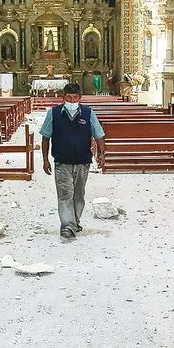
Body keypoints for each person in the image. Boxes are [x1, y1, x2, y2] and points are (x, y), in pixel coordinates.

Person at [39, 83, 106, 239]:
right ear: (63, 97)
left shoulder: (88, 113)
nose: (72, 100)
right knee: (65, 195)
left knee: (78, 194)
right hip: (62, 161)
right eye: (69, 97)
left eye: (75, 97)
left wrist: (102, 154)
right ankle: (67, 225)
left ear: (80, 98)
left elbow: (99, 134)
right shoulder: (54, 113)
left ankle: (74, 221)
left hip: (83, 160)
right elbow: (45, 137)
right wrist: (45, 159)